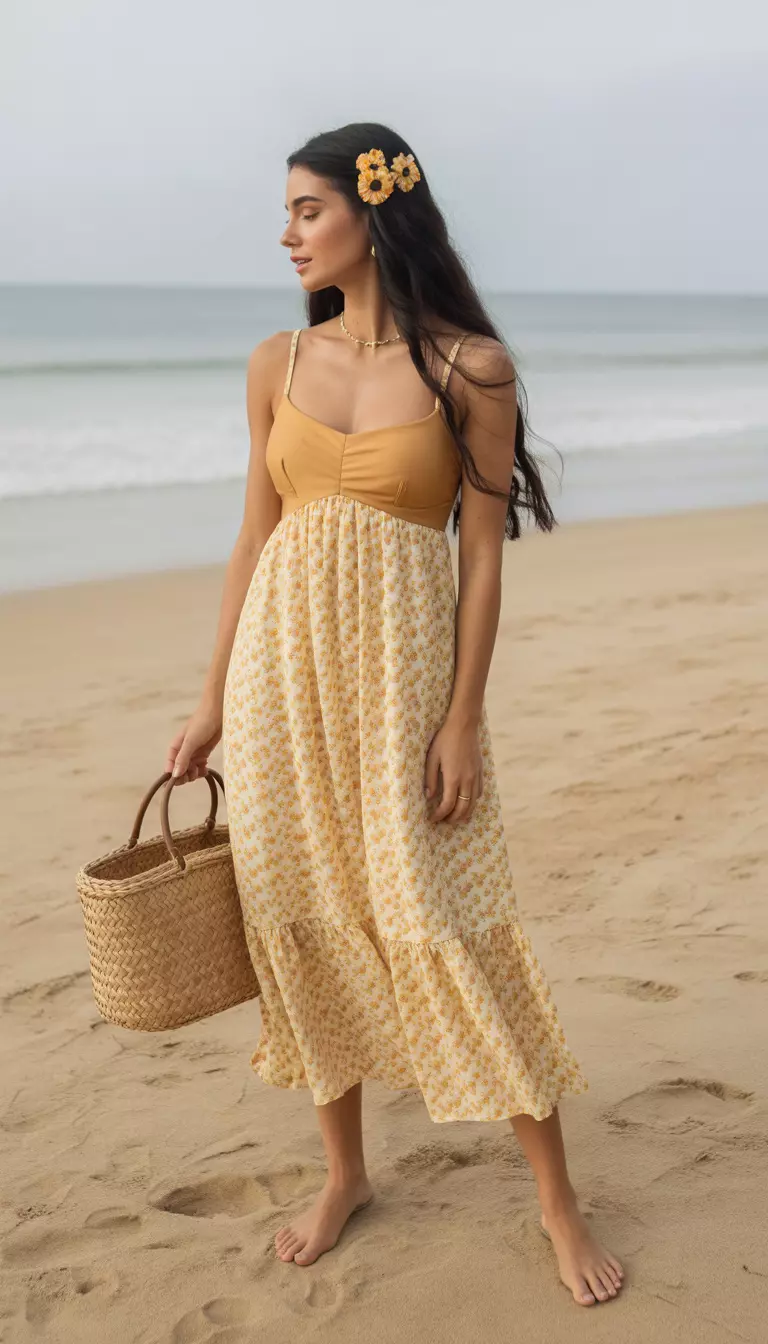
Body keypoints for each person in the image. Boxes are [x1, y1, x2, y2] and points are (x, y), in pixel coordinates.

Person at [166, 122, 624, 1307]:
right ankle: (345, 1173)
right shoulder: (276, 362)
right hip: (280, 681)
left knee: (443, 915)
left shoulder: (472, 369)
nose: (287, 233)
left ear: (374, 215)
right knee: (301, 911)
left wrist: (462, 718)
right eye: (287, 211)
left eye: (307, 209)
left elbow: (484, 555)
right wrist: (211, 702)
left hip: (400, 687)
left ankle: (557, 1203)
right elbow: (254, 538)